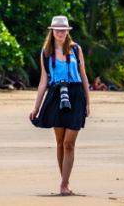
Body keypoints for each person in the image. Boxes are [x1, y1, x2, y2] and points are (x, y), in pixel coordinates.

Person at [28, 15, 91, 196]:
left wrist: (87, 102)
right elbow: (43, 82)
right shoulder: (45, 53)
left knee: (69, 144)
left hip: (76, 95)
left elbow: (84, 76)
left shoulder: (75, 49)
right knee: (60, 142)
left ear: (67, 31)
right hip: (56, 95)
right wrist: (36, 107)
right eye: (57, 30)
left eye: (64, 30)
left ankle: (63, 185)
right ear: (52, 31)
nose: (61, 33)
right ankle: (66, 181)